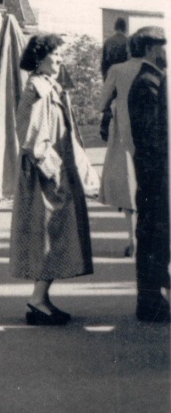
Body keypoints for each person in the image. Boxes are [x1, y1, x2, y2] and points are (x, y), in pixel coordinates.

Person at [9, 33, 93, 325]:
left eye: (60, 55)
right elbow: (30, 138)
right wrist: (54, 170)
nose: (59, 59)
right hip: (46, 178)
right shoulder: (37, 89)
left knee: (55, 235)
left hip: (54, 173)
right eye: (55, 54)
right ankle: (37, 300)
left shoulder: (49, 86)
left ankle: (40, 298)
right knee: (50, 236)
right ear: (39, 57)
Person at [126, 27, 169, 324]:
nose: (166, 52)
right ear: (152, 49)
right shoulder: (147, 83)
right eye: (162, 46)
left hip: (154, 174)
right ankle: (150, 301)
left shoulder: (152, 80)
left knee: (156, 235)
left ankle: (153, 298)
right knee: (153, 235)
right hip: (155, 175)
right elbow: (152, 136)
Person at [98, 39, 144, 257]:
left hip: (124, 132)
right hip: (152, 130)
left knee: (128, 183)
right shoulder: (155, 69)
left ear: (128, 49)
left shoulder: (118, 69)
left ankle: (131, 238)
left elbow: (101, 102)